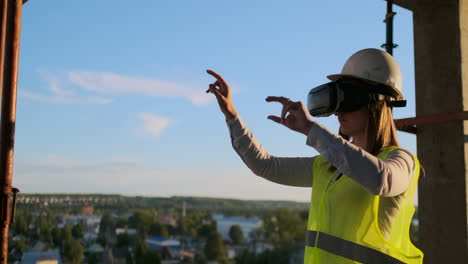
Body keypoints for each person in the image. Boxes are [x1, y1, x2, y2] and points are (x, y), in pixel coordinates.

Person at [206, 48, 423, 264]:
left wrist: (311, 129)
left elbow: (380, 180)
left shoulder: (402, 161)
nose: (339, 111)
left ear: (377, 103)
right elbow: (265, 166)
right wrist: (232, 115)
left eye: (349, 100)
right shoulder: (328, 166)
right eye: (338, 102)